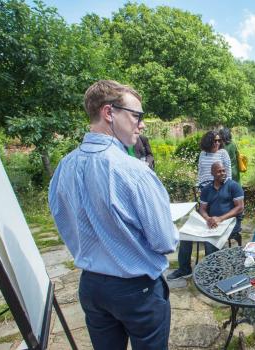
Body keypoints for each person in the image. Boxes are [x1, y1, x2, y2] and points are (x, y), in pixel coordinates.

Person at [48, 80, 178, 350]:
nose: (141, 125)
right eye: (136, 116)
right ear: (109, 113)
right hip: (137, 292)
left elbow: (62, 220)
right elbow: (165, 241)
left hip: (91, 287)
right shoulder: (134, 171)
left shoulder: (64, 166)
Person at [167, 162, 244, 280]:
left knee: (209, 240)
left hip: (229, 222)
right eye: (219, 171)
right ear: (212, 173)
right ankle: (184, 269)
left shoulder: (233, 186)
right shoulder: (207, 189)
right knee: (185, 235)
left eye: (224, 170)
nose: (223, 173)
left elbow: (239, 207)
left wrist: (220, 218)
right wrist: (208, 218)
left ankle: (212, 272)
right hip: (210, 222)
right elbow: (202, 209)